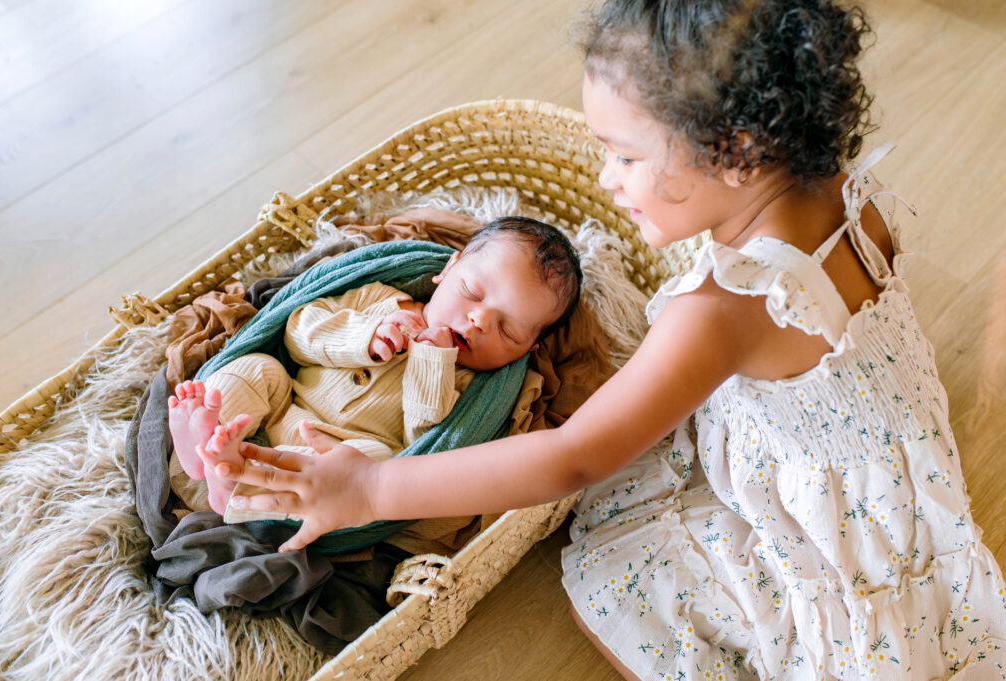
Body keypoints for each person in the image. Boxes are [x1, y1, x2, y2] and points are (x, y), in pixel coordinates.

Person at [211, 0, 1006, 678]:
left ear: (735, 154)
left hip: (838, 531)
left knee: (613, 575)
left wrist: (371, 489)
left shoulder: (726, 306)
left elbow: (575, 456)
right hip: (899, 484)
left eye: (623, 155)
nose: (604, 179)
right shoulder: (846, 190)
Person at [167, 216, 582, 516]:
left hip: (341, 450)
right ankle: (203, 438)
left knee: (374, 457)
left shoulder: (472, 383)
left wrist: (432, 360)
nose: (479, 322)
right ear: (447, 270)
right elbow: (297, 331)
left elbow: (424, 442)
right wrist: (363, 336)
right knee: (259, 368)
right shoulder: (381, 298)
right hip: (286, 402)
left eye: (508, 331)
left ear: (529, 350)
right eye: (472, 291)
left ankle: (234, 477)